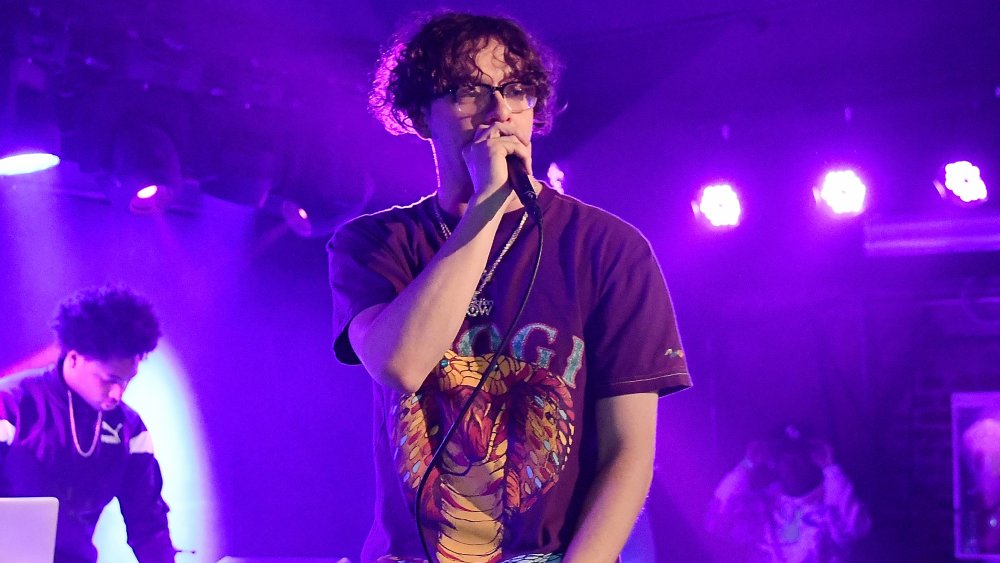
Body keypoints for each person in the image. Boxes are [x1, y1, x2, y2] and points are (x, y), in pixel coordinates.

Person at [327, 11, 691, 563]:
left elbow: (629, 453)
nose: (499, 112)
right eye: (470, 92)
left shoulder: (610, 250)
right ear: (421, 116)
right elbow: (400, 364)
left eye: (516, 90)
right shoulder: (375, 243)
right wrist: (486, 207)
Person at [0, 286, 176, 562]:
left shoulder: (129, 429)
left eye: (127, 381)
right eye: (109, 379)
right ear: (73, 357)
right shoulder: (10, 405)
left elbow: (148, 525)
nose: (118, 393)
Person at [706, 424, 872, 562]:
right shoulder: (763, 506)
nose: (791, 465)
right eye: (784, 457)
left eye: (799, 456)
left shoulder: (831, 504)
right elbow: (716, 520)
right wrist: (746, 465)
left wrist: (831, 470)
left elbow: (855, 527)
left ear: (814, 460)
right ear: (774, 462)